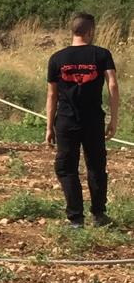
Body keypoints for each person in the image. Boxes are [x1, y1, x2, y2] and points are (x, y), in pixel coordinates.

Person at [46, 12, 119, 228]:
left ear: (73, 30)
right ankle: (99, 215)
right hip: (93, 120)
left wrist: (49, 126)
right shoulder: (102, 54)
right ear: (91, 31)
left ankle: (76, 218)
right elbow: (112, 85)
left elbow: (52, 95)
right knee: (96, 166)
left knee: (66, 168)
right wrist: (114, 120)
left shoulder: (57, 58)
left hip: (66, 121)